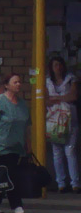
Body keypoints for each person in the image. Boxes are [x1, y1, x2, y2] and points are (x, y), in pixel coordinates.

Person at [0, 72, 30, 213]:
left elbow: (26, 125)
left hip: (17, 145)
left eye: (19, 82)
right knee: (11, 174)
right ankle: (16, 204)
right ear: (6, 85)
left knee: (3, 175)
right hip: (2, 145)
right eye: (15, 82)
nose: (18, 85)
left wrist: (28, 143)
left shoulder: (22, 104)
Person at [46, 56, 80, 193]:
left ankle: (75, 183)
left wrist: (56, 98)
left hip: (70, 120)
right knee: (57, 152)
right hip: (54, 120)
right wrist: (61, 98)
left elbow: (73, 96)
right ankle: (61, 183)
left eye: (60, 65)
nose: (58, 68)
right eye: (55, 65)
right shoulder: (47, 81)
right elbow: (45, 100)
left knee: (70, 151)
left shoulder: (71, 79)